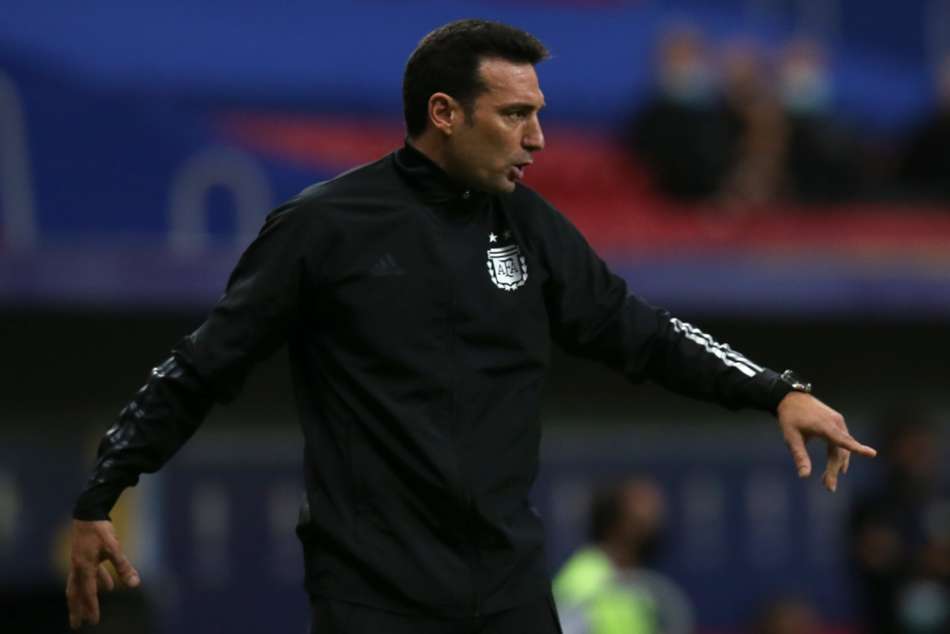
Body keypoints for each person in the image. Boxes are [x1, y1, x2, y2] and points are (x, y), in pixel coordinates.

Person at [65, 19, 877, 633]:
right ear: (445, 112)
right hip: (373, 592)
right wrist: (103, 491)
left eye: (539, 114)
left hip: (506, 585)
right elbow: (201, 365)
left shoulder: (529, 225)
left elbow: (641, 331)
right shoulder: (324, 228)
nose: (538, 138)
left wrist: (777, 391)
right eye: (516, 114)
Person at [553, 479, 694, 634]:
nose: (655, 523)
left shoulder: (637, 585)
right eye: (641, 520)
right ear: (617, 523)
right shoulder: (583, 582)